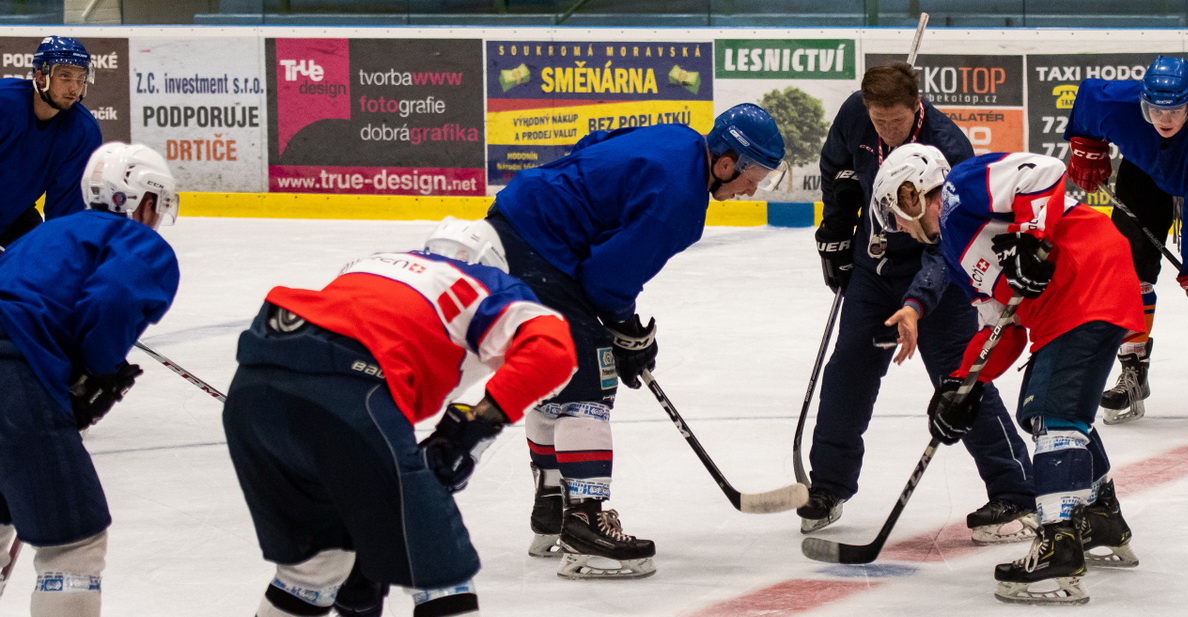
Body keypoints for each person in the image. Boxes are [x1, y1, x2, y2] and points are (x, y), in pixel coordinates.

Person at [486, 103, 785, 579]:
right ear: (727, 163)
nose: (753, 188)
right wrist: (628, 334)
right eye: (755, 175)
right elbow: (606, 280)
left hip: (517, 221)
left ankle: (551, 504)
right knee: (590, 383)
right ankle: (585, 525)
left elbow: (592, 147)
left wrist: (626, 330)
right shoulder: (682, 203)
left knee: (558, 371)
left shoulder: (681, 138)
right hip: (542, 249)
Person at [223, 217, 577, 617]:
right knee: (439, 573)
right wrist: (474, 427)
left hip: (253, 393)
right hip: (354, 395)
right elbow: (554, 351)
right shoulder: (486, 283)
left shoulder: (372, 263)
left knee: (312, 573)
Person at [876, 145, 1142, 605]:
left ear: (911, 192)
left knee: (1054, 416)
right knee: (1041, 409)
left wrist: (1030, 237)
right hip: (1069, 305)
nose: (896, 224)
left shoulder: (962, 187)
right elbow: (1003, 329)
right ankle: (1100, 515)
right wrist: (962, 384)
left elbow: (1044, 171)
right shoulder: (959, 260)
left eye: (893, 211)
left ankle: (1059, 543)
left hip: (1087, 279)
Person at [802, 61, 1037, 541]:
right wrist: (834, 232)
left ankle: (1016, 491)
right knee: (848, 368)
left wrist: (916, 304)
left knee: (961, 380)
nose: (886, 130)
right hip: (874, 267)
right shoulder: (855, 115)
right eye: (878, 121)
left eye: (896, 122)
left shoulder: (949, 148)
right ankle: (828, 486)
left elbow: (947, 242)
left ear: (918, 107)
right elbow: (837, 168)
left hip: (939, 270)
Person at [0, 142, 180, 616]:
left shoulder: (47, 232)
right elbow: (115, 300)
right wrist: (98, 371)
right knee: (73, 543)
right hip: (12, 375)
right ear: (144, 201)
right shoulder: (139, 242)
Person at [1063, 56, 1188, 425]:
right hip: (1146, 171)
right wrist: (1086, 144)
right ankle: (1133, 368)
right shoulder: (1118, 104)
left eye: (1175, 111)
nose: (1164, 120)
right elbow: (1088, 95)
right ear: (1142, 102)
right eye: (1154, 110)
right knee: (1127, 271)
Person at [0, 36, 103, 249]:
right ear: (40, 76)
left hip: (15, 218)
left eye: (80, 78)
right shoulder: (4, 103)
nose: (74, 88)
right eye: (65, 77)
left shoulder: (83, 132)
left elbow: (65, 213)